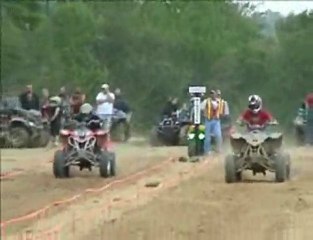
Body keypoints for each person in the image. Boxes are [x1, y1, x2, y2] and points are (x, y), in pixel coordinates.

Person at [201, 90, 224, 154]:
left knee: (218, 135)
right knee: (207, 137)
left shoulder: (219, 101)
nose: (212, 95)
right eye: (211, 94)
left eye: (213, 94)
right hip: (208, 120)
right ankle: (207, 150)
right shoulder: (206, 101)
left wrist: (221, 115)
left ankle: (219, 149)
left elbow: (222, 110)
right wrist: (204, 114)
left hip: (216, 120)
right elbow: (201, 108)